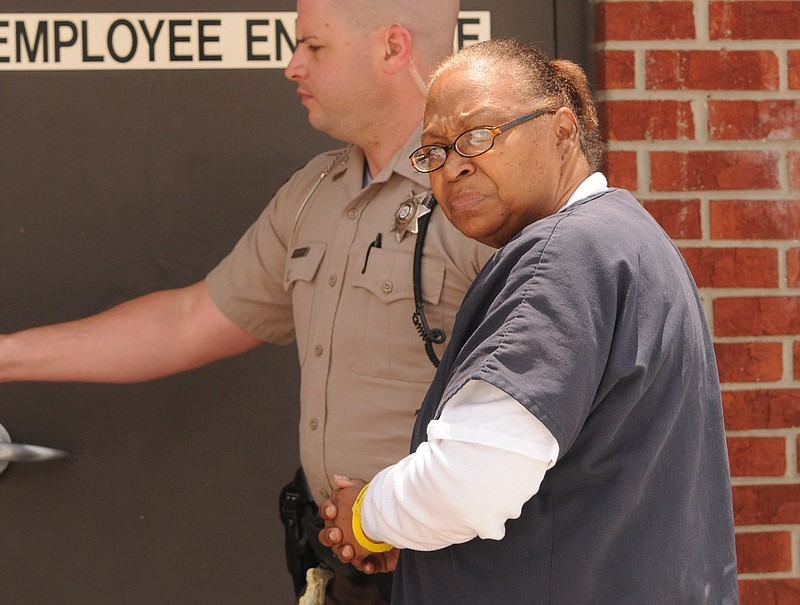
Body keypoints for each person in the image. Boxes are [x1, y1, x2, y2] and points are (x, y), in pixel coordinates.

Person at [0, 1, 493, 603]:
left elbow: (548, 404)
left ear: (393, 48)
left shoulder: (485, 195)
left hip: (464, 574)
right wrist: (7, 356)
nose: (292, 66)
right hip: (346, 573)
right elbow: (189, 323)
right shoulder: (315, 192)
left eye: (314, 47)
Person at [318, 38, 739, 604]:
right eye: (434, 151)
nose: (454, 165)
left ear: (563, 132)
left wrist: (367, 516)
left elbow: (472, 484)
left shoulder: (564, 255)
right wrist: (420, 530)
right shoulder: (621, 235)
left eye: (478, 136)